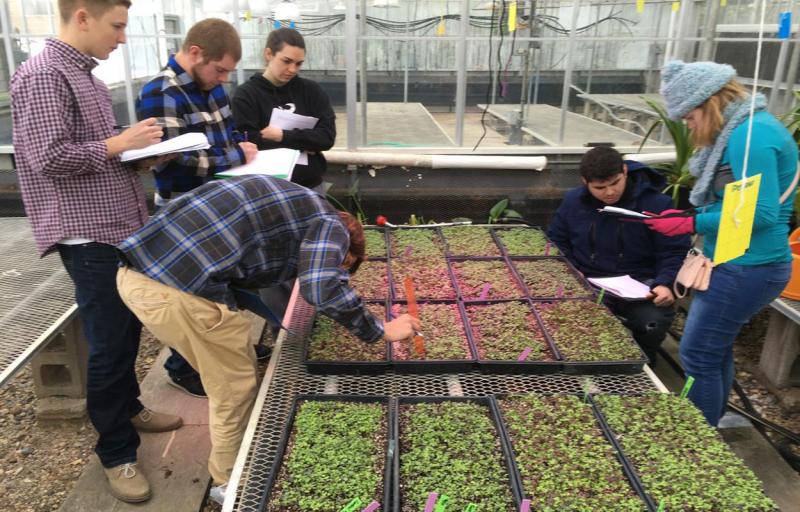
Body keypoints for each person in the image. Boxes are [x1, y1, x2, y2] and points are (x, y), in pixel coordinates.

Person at [116, 175, 420, 501]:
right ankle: (230, 484)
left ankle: (235, 458)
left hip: (137, 274)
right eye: (344, 265)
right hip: (176, 293)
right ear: (348, 246)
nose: (341, 270)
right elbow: (321, 287)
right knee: (233, 389)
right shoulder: (331, 226)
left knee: (228, 371)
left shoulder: (299, 205)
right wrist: (381, 329)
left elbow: (253, 261)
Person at [10, 0, 182, 503]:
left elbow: (86, 150)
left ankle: (129, 405)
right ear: (82, 16)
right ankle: (116, 452)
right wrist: (116, 145)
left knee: (127, 327)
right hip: (87, 235)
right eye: (117, 26)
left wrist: (138, 153)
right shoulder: (43, 75)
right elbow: (47, 158)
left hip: (118, 225)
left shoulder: (84, 76)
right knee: (107, 342)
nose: (123, 38)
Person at [645, 60, 798, 426]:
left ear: (708, 102)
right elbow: (737, 205)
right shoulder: (744, 131)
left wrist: (690, 221)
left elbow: (758, 215)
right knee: (714, 349)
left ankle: (697, 441)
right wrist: (689, 219)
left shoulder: (750, 137)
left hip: (747, 266)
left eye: (688, 115)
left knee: (698, 353)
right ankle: (713, 419)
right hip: (740, 262)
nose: (687, 124)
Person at [136, 18, 259, 398]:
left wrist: (239, 146)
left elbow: (227, 134)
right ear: (194, 53)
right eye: (220, 69)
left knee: (222, 284)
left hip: (219, 203)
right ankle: (182, 367)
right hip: (183, 211)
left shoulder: (212, 87)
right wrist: (236, 154)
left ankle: (227, 352)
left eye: (228, 72)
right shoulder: (162, 92)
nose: (224, 79)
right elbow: (174, 159)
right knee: (190, 292)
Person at [547, 146, 691, 365]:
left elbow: (673, 249)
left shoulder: (655, 204)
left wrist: (665, 283)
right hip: (588, 280)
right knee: (572, 321)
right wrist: (572, 271)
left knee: (651, 322)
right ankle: (587, 366)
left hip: (641, 283)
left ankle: (640, 365)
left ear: (624, 171)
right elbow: (556, 241)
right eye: (600, 187)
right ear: (585, 182)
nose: (609, 192)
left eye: (615, 183)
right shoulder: (574, 202)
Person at [231, 27, 336, 191]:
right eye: (286, 61)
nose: (292, 69)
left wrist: (282, 136)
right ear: (268, 54)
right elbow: (249, 143)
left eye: (298, 63)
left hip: (310, 186)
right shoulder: (246, 95)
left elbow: (327, 137)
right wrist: (306, 142)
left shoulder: (312, 91)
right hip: (265, 188)